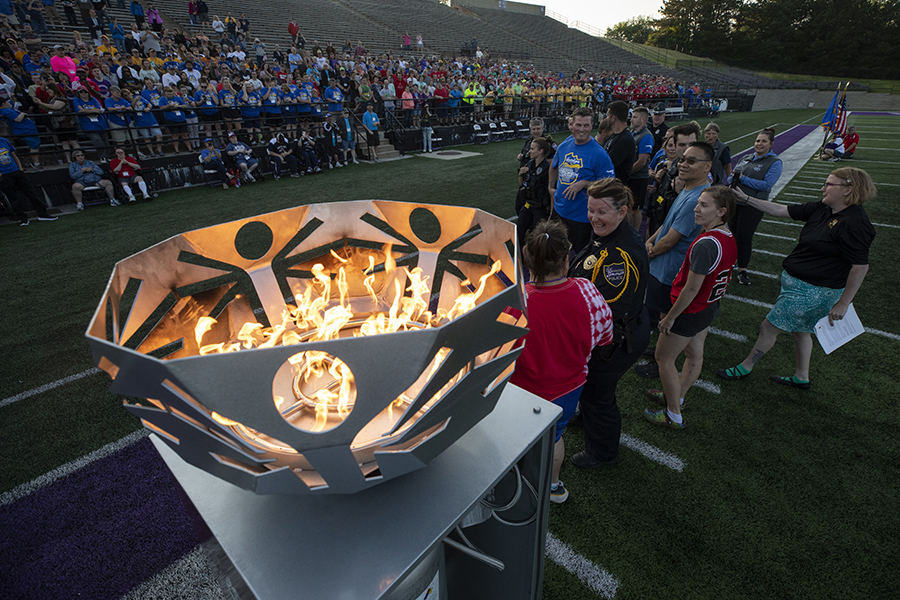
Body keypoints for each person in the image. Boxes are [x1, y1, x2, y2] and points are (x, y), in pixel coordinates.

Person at [717, 167, 876, 391]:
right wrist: (746, 199)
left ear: (848, 190)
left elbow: (860, 266)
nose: (823, 188)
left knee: (768, 328)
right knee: (800, 331)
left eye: (829, 184)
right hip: (800, 284)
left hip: (815, 291)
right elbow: (781, 210)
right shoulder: (824, 208)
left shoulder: (855, 223)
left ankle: (745, 367)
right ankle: (802, 377)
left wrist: (843, 302)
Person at [509, 219, 614, 502]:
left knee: (514, 438)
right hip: (569, 389)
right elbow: (605, 335)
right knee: (554, 437)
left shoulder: (516, 303)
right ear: (567, 260)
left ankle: (515, 487)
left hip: (523, 391)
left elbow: (496, 355)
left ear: (527, 259)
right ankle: (553, 486)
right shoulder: (587, 291)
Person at [568, 178, 650, 468]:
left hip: (615, 341)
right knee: (590, 391)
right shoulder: (609, 235)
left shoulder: (620, 257)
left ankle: (602, 454)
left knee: (598, 396)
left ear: (622, 211)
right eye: (591, 210)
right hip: (615, 333)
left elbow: (606, 313)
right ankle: (583, 416)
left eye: (601, 212)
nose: (593, 217)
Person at [643, 186, 738, 429]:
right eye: (698, 203)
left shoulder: (706, 243)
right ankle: (678, 397)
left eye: (704, 205)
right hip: (707, 308)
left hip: (689, 311)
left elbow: (692, 288)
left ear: (721, 212)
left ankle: (673, 414)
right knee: (694, 356)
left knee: (663, 358)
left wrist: (670, 318)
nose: (696, 209)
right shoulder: (727, 236)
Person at [636, 140, 713, 379]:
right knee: (659, 314)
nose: (684, 164)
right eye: (683, 159)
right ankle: (661, 352)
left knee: (667, 318)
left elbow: (672, 240)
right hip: (663, 265)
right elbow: (667, 224)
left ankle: (664, 361)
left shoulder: (696, 199)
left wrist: (651, 251)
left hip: (672, 271)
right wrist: (650, 242)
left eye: (692, 161)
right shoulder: (688, 190)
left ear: (707, 166)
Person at [548, 107, 615, 251]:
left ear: (592, 126)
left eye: (586, 125)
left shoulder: (600, 154)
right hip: (559, 211)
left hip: (581, 218)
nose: (582, 129)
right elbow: (554, 166)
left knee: (579, 257)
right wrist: (550, 186)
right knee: (552, 251)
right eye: (578, 125)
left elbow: (610, 185)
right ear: (572, 125)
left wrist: (585, 183)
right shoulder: (564, 146)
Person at [728, 127, 783, 286]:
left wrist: (743, 179)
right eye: (758, 140)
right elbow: (735, 176)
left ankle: (742, 270)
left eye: (763, 141)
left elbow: (766, 185)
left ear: (771, 144)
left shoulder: (774, 162)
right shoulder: (746, 157)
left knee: (744, 237)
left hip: (753, 205)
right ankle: (730, 263)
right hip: (735, 202)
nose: (759, 144)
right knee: (732, 235)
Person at [0, 136, 57, 225]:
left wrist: (20, 168)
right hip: (4, 175)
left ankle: (42, 214)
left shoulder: (3, 141)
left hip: (16, 171)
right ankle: (23, 218)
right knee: (13, 198)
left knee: (31, 192)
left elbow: (13, 155)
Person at [516, 136, 552, 249]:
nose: (529, 151)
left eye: (532, 149)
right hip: (528, 204)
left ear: (540, 151)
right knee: (518, 231)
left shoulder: (547, 169)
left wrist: (551, 212)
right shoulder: (530, 164)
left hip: (540, 208)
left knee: (537, 236)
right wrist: (520, 175)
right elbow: (522, 185)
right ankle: (520, 254)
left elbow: (550, 191)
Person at [629, 106, 654, 231]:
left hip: (638, 178)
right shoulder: (633, 134)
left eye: (635, 117)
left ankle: (635, 232)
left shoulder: (646, 136)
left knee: (635, 208)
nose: (632, 120)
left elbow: (642, 161)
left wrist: (627, 173)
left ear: (643, 119)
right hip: (632, 176)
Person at [0, 97, 41, 168]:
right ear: (3, 104)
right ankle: (37, 164)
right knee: (35, 146)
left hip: (26, 129)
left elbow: (12, 102)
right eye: (7, 102)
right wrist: (22, 114)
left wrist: (12, 97)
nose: (9, 103)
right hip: (25, 130)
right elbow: (17, 119)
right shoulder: (7, 111)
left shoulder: (8, 109)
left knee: (34, 145)